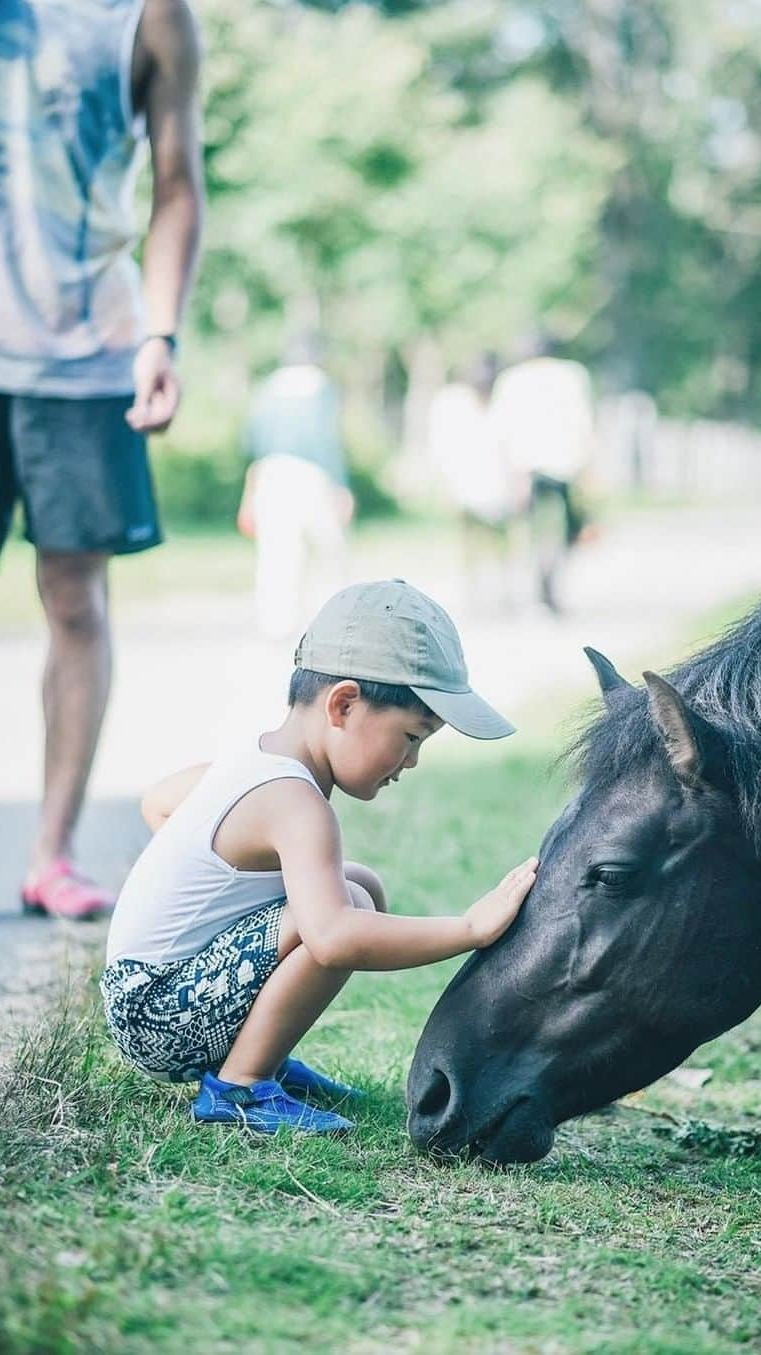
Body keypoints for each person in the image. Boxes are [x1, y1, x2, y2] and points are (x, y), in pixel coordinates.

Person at [0, 0, 204, 922]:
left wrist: (161, 333)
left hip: (87, 350)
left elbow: (175, 184)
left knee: (74, 596)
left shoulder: (150, 16)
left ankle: (50, 851)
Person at [100, 580, 537, 1135]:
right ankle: (241, 1085)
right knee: (344, 906)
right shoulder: (297, 803)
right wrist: (470, 928)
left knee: (359, 885)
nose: (412, 761)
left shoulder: (253, 759)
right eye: (410, 736)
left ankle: (263, 1053)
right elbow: (332, 937)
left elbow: (158, 803)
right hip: (159, 1016)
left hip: (141, 997)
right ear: (344, 704)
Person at [236, 340, 354, 641]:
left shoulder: (267, 388)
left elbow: (252, 440)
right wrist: (341, 485)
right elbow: (328, 441)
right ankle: (332, 623)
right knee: (329, 549)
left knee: (278, 553)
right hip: (312, 473)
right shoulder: (320, 387)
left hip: (271, 472)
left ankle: (277, 624)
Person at [489, 336, 595, 615]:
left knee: (531, 534)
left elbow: (501, 432)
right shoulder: (572, 375)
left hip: (528, 469)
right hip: (565, 468)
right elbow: (583, 424)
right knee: (564, 532)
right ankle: (548, 587)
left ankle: (538, 589)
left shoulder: (512, 379)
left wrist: (511, 474)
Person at [427, 354, 515, 614]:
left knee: (500, 543)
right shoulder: (452, 403)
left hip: (497, 485)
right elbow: (442, 448)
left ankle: (502, 591)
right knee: (471, 542)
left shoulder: (501, 401)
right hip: (467, 483)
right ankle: (475, 593)